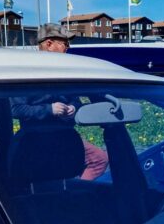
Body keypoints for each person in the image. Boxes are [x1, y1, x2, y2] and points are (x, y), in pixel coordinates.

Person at [13, 26, 108, 180]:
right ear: (49, 44)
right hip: (36, 137)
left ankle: (75, 191)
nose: (68, 48)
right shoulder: (26, 73)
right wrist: (49, 109)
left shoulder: (65, 71)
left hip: (65, 134)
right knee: (45, 177)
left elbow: (76, 101)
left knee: (99, 159)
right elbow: (16, 109)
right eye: (65, 43)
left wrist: (73, 108)